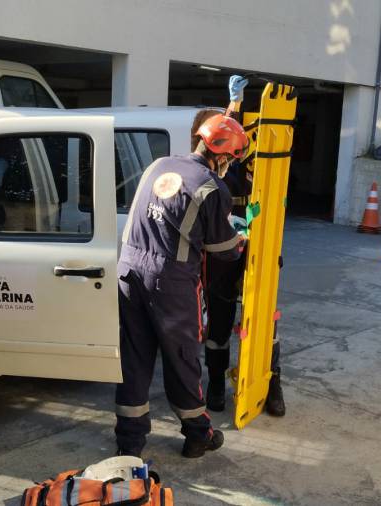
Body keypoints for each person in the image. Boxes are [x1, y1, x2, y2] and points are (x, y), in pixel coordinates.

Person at [114, 113, 248, 459]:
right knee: (183, 356)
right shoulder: (211, 187)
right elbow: (224, 251)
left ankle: (130, 444)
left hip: (128, 270)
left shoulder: (158, 165)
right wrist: (240, 238)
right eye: (230, 160)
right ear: (222, 156)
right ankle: (197, 433)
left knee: (134, 356)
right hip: (170, 282)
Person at [198, 75, 285, 416]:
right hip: (222, 251)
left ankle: (271, 383)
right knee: (219, 322)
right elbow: (229, 125)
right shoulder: (219, 163)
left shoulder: (270, 163)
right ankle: (217, 383)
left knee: (266, 323)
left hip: (260, 247)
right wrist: (234, 101)